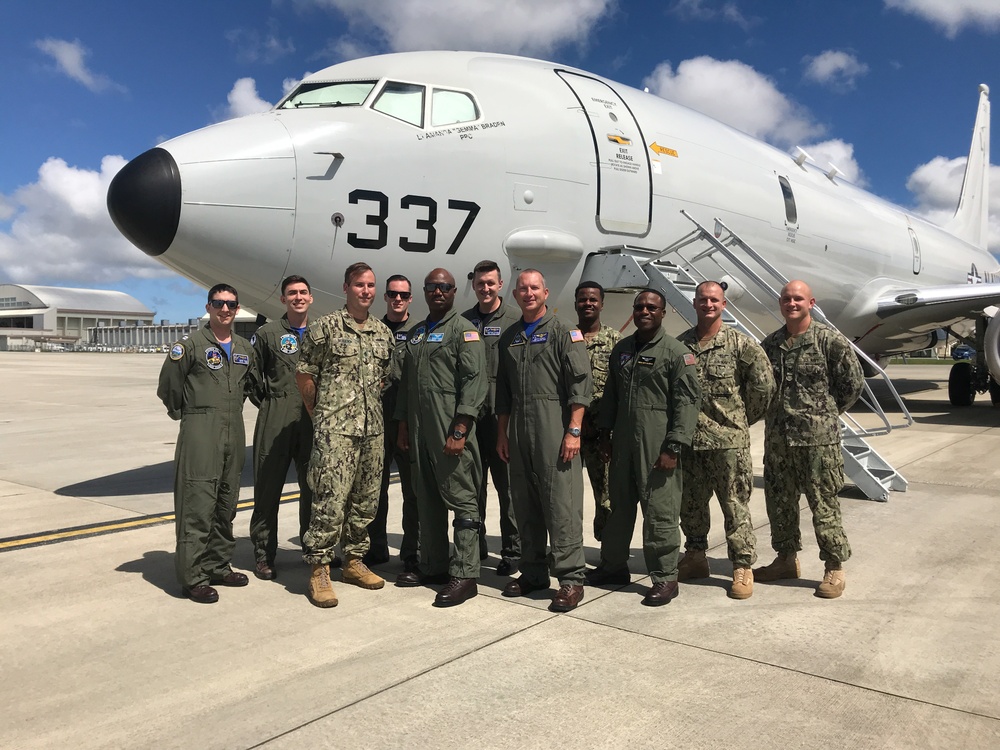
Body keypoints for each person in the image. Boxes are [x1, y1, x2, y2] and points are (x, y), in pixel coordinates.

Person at [587, 289, 701, 607]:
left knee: (659, 513)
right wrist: (605, 435)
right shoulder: (622, 349)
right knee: (618, 510)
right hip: (622, 444)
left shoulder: (676, 353)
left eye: (652, 307)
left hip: (657, 446)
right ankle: (613, 568)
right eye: (640, 307)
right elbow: (611, 395)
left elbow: (687, 404)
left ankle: (665, 577)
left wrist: (674, 447)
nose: (645, 311)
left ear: (663, 312)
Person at [754, 280, 864, 599]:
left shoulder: (829, 341)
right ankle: (785, 560)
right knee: (779, 503)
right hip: (779, 441)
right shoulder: (771, 344)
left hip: (818, 443)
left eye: (798, 298)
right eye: (787, 298)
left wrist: (824, 415)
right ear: (780, 303)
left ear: (810, 302)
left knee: (823, 504)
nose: (792, 303)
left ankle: (834, 567)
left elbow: (852, 384)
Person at [296, 262, 392, 608]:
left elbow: (385, 377)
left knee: (366, 501)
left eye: (370, 285)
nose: (365, 291)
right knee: (329, 501)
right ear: (346, 288)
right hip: (335, 431)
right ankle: (320, 568)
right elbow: (305, 373)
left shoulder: (383, 333)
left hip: (372, 431)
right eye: (359, 285)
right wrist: (319, 416)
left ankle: (353, 561)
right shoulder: (326, 328)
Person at [495, 269, 592, 612]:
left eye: (534, 287)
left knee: (560, 504)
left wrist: (574, 430)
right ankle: (533, 572)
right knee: (525, 502)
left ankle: (570, 579)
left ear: (546, 292)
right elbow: (503, 393)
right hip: (519, 428)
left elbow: (581, 386)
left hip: (554, 425)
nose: (528, 293)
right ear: (515, 294)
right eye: (522, 288)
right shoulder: (510, 337)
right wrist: (503, 433)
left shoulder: (565, 331)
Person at [157, 283, 258, 604]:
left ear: (237, 308)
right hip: (201, 429)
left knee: (226, 502)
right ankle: (193, 576)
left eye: (231, 304)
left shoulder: (244, 347)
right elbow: (168, 388)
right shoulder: (189, 346)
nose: (225, 310)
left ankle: (217, 564)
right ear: (208, 307)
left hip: (234, 428)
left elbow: (252, 388)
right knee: (198, 503)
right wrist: (189, 417)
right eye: (219, 303)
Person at [675, 281, 775, 599]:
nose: (708, 305)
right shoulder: (681, 346)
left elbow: (763, 387)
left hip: (729, 445)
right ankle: (695, 556)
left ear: (723, 305)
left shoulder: (740, 345)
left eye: (714, 300)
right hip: (692, 444)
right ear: (694, 303)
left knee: (735, 507)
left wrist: (740, 422)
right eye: (702, 300)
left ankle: (742, 566)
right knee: (690, 506)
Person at [395, 269, 487, 606]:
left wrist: (460, 429)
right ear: (424, 291)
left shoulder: (464, 331)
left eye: (445, 287)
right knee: (427, 500)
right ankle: (432, 565)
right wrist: (404, 425)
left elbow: (475, 382)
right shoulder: (417, 334)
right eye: (432, 286)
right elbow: (407, 385)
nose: (438, 291)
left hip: (450, 431)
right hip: (420, 432)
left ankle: (465, 573)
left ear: (453, 292)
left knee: (462, 500)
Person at [248, 275, 320, 581]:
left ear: (311, 298)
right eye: (292, 293)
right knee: (268, 488)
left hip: (312, 420)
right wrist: (273, 404)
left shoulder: (321, 332)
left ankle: (312, 548)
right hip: (276, 417)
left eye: (303, 292)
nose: (298, 297)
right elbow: (253, 378)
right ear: (283, 300)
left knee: (313, 488)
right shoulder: (268, 333)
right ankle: (264, 554)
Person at [461, 259, 521, 575]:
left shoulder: (513, 319)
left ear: (500, 284)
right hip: (472, 418)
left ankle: (513, 551)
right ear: (474, 285)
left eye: (491, 283)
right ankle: (476, 545)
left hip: (502, 417)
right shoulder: (464, 321)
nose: (485, 288)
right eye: (480, 283)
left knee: (507, 487)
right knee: (473, 487)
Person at [365, 274, 419, 572]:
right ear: (385, 297)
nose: (398, 299)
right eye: (393, 295)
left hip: (408, 422)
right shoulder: (373, 330)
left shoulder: (421, 332)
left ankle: (411, 550)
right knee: (375, 488)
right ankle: (377, 547)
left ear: (410, 298)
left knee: (412, 491)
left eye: (403, 295)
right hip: (377, 420)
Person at [574, 281, 620, 542]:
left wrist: (606, 431)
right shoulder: (564, 336)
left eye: (593, 299)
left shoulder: (615, 342)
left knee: (605, 499)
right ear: (576, 304)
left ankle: (609, 555)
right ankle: (567, 549)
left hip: (602, 436)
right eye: (583, 300)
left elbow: (620, 390)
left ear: (602, 304)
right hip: (570, 434)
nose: (588, 304)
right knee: (565, 498)